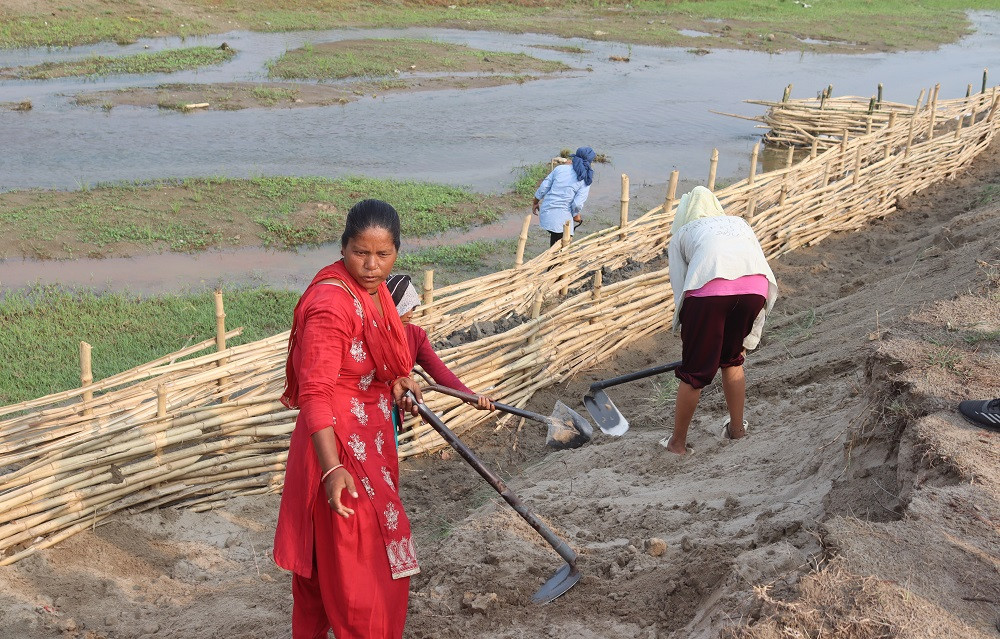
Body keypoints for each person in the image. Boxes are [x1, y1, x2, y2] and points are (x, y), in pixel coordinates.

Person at [273, 199, 425, 639]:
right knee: (354, 563)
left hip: (370, 439)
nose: (372, 265)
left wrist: (396, 382)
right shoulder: (330, 304)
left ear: (397, 251)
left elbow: (375, 363)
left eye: (384, 255)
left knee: (343, 561)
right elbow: (314, 393)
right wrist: (332, 469)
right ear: (343, 248)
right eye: (361, 253)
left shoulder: (374, 295)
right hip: (333, 445)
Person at [661, 186, 778, 455]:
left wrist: (689, 335)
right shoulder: (738, 223)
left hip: (709, 295)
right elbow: (754, 262)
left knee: (694, 374)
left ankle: (677, 444)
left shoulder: (683, 233)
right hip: (755, 289)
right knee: (733, 359)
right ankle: (737, 431)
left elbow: (682, 289)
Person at [385, 274, 493, 412]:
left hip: (394, 409)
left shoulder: (416, 335)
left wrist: (470, 396)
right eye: (404, 307)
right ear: (389, 305)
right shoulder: (371, 334)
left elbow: (439, 371)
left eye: (412, 308)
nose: (410, 314)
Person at [533, 147, 596, 247]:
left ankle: (553, 258)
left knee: (555, 237)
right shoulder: (585, 180)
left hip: (547, 213)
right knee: (561, 242)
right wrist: (575, 215)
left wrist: (535, 202)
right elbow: (577, 204)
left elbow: (543, 187)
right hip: (562, 218)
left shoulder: (560, 169)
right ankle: (555, 261)